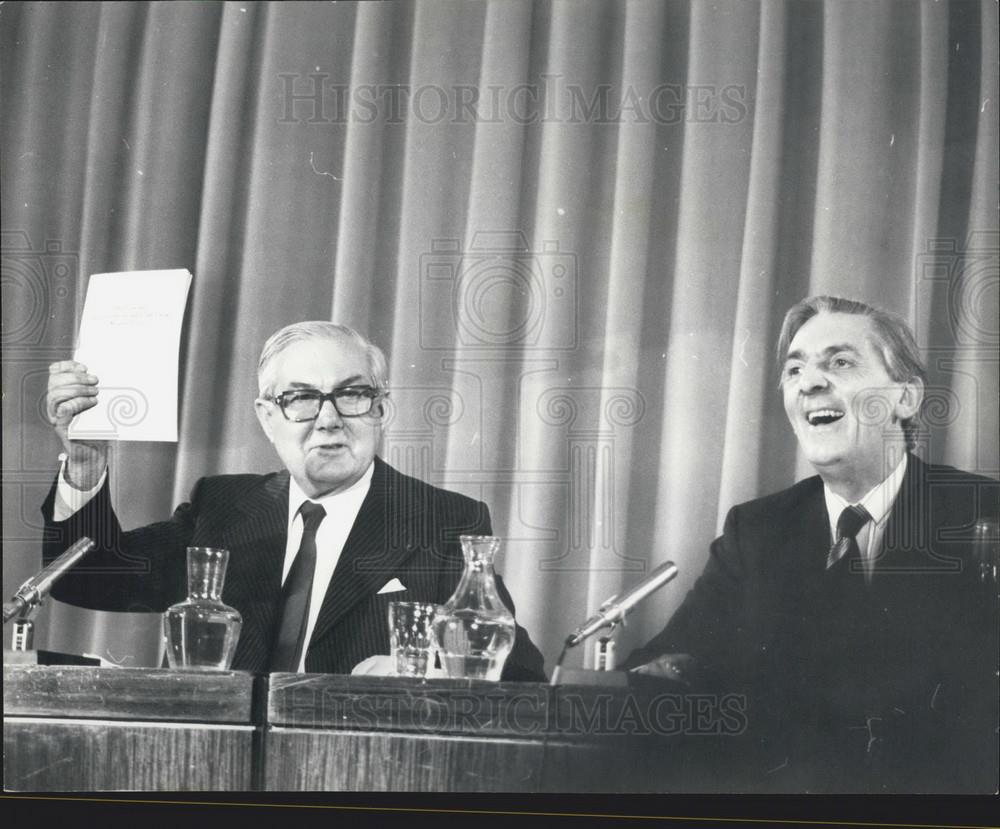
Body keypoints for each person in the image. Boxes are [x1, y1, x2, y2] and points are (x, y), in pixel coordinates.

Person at [625, 296, 999, 792]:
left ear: (906, 398)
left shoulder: (984, 513)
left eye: (840, 362)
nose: (810, 382)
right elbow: (660, 668)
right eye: (794, 369)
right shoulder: (756, 531)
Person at [41, 321, 546, 681]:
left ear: (381, 411)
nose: (329, 419)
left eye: (352, 394)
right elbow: (86, 579)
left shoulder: (443, 522)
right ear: (266, 416)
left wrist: (429, 671)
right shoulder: (221, 508)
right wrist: (85, 467)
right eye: (301, 398)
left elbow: (521, 675)